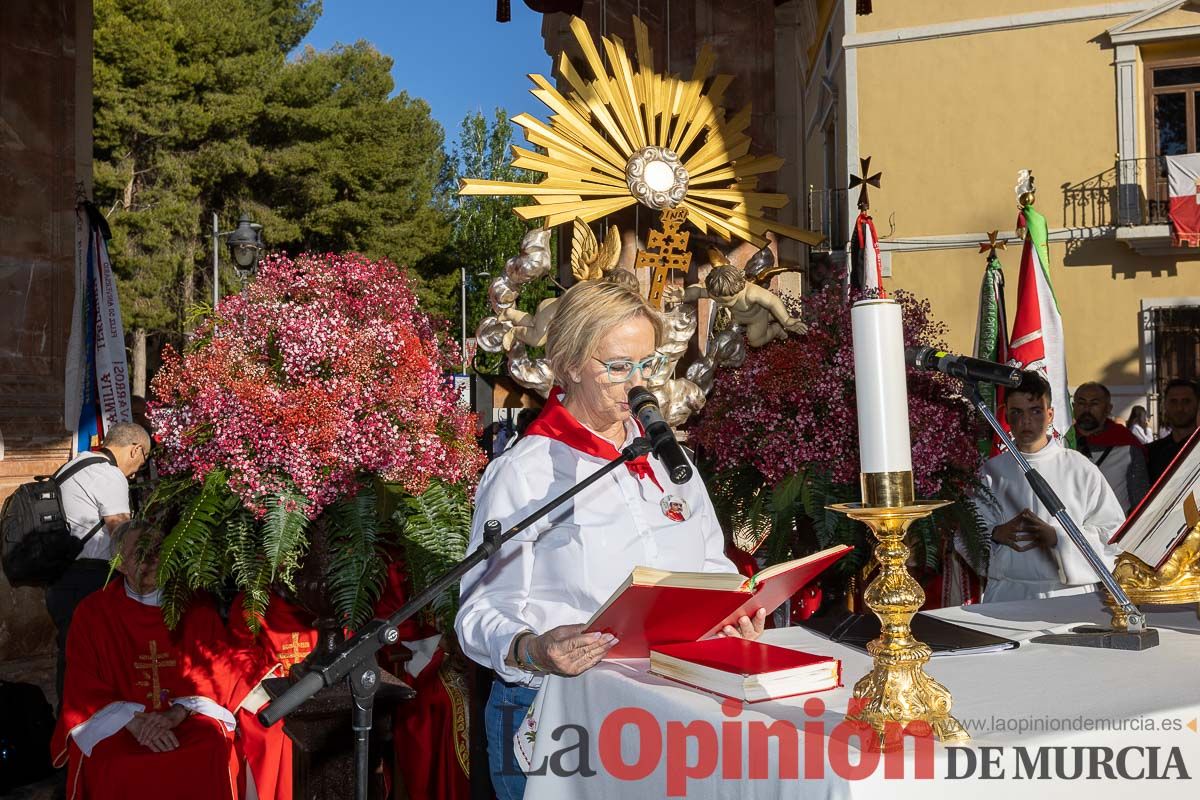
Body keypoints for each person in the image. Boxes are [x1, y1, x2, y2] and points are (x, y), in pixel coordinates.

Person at [455, 281, 764, 800]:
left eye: (649, 365)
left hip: (667, 705)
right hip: (553, 712)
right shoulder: (525, 472)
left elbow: (713, 561)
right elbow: (478, 613)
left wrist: (732, 609)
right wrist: (533, 648)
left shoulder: (668, 458)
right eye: (619, 366)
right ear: (571, 364)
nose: (639, 385)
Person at [50, 520, 239, 800]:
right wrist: (133, 722)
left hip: (184, 715)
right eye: (141, 553)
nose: (154, 559)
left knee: (209, 747)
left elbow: (216, 668)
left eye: (159, 550)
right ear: (120, 565)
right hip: (118, 721)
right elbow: (82, 682)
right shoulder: (92, 613)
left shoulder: (195, 605)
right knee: (110, 761)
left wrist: (176, 714)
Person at [972, 373, 1125, 602]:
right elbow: (966, 535)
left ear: (1050, 414)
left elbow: (1112, 534)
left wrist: (1058, 537)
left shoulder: (1079, 468)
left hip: (1067, 595)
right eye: (1017, 412)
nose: (1026, 421)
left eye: (1035, 411)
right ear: (1006, 417)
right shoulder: (991, 472)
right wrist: (995, 533)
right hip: (1008, 593)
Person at [46, 422, 150, 705]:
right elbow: (123, 532)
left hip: (61, 576)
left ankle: (69, 721)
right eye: (142, 461)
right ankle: (84, 721)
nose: (137, 470)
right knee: (91, 655)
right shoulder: (108, 474)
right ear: (135, 449)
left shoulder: (73, 466)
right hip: (90, 578)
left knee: (72, 652)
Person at [1069, 382, 1149, 514]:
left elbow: (1139, 501)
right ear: (1073, 406)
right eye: (1081, 403)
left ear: (1108, 408)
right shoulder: (1062, 442)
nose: (1087, 409)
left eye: (1094, 403)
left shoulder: (1127, 446)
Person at [1147, 379, 1199, 484]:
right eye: (1173, 401)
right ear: (1165, 405)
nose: (1179, 408)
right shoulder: (1151, 453)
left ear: (1197, 404)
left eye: (1186, 401)